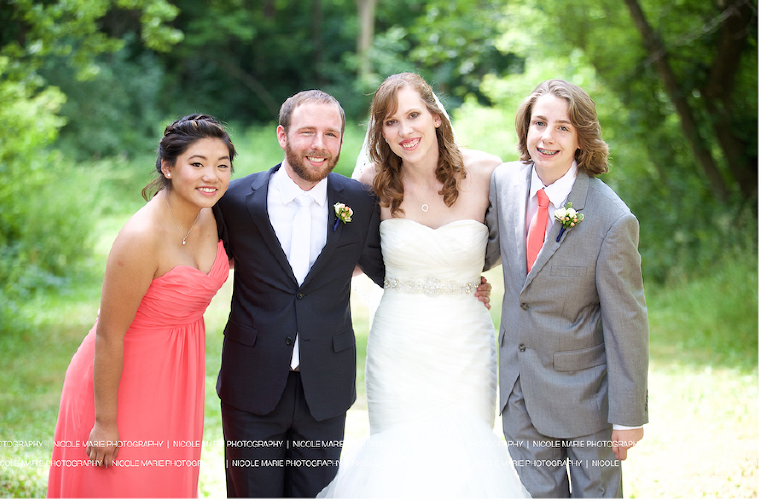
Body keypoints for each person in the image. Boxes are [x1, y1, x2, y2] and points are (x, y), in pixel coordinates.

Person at [318, 72, 530, 498]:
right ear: (381, 132)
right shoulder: (371, 183)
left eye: (413, 115)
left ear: (435, 116)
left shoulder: (488, 172)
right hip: (399, 345)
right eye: (391, 122)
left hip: (466, 344)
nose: (404, 130)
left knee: (467, 463)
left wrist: (471, 278)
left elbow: (513, 242)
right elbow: (350, 259)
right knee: (396, 466)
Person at [47, 114, 236, 497]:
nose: (211, 176)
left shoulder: (215, 213)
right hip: (121, 380)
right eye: (196, 164)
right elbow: (108, 335)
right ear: (167, 167)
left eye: (222, 165)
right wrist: (105, 422)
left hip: (178, 374)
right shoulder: (141, 237)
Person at [214, 90, 386, 498]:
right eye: (307, 132)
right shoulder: (236, 200)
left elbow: (388, 267)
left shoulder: (360, 202)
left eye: (331, 134)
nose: (319, 145)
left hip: (325, 386)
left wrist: (460, 281)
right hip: (251, 382)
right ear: (282, 135)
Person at [484, 79, 649, 498]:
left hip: (587, 399)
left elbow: (626, 322)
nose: (547, 137)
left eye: (563, 127)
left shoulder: (611, 219)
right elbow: (483, 250)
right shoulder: (504, 183)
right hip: (519, 391)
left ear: (581, 139)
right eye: (539, 123)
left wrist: (628, 416)